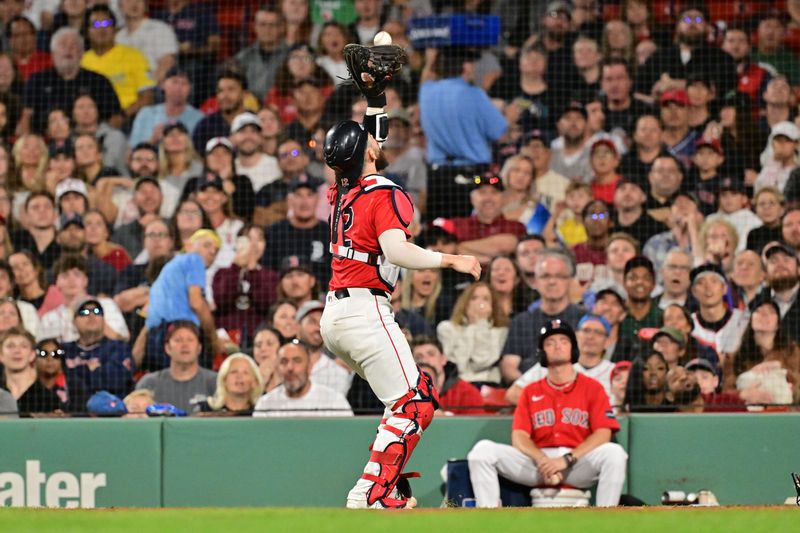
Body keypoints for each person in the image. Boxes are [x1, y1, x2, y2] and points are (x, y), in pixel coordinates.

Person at [318, 80, 481, 509]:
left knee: (407, 397)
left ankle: (385, 486)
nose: (376, 140)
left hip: (336, 317)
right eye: (371, 140)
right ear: (368, 153)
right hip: (366, 311)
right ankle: (371, 493)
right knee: (417, 403)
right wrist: (452, 260)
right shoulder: (385, 192)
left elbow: (368, 149)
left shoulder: (342, 192)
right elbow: (396, 251)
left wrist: (375, 103)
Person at [467, 319, 626, 507]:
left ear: (573, 348)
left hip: (576, 463)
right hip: (537, 463)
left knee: (615, 453)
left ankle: (607, 520)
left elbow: (603, 433)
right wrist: (543, 460)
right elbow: (519, 437)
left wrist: (566, 459)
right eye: (550, 343)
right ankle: (489, 519)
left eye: (563, 341)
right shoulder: (530, 391)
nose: (557, 346)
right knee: (482, 451)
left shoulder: (593, 387)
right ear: (542, 352)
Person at [419, 47, 507, 220]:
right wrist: (508, 114)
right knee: (468, 232)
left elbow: (426, 76)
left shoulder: (427, 91)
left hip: (438, 177)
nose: (474, 67)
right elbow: (500, 133)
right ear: (465, 67)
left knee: (440, 231)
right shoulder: (474, 94)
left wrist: (431, 59)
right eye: (471, 63)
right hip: (472, 176)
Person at [500, 249, 584, 383]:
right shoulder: (521, 322)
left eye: (559, 276)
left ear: (570, 280)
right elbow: (509, 366)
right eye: (545, 276)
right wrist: (531, 389)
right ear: (535, 281)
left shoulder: (584, 320)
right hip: (531, 393)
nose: (552, 282)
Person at [142, 229, 221, 371]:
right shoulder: (194, 259)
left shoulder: (168, 272)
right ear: (189, 245)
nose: (211, 252)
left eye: (215, 250)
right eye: (207, 245)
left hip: (156, 340)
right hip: (181, 332)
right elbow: (196, 303)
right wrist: (214, 340)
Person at [21, 27, 122, 134]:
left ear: (82, 54)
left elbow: (116, 117)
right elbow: (25, 117)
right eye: (63, 45)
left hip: (91, 142)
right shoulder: (37, 80)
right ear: (53, 53)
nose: (68, 49)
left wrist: (101, 137)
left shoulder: (99, 81)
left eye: (73, 46)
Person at [635, 4, 736, 98]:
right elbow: (639, 92)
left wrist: (672, 84)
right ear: (678, 26)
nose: (692, 23)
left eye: (698, 19)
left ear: (707, 27)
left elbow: (721, 90)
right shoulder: (658, 57)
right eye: (687, 19)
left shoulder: (722, 58)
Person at [79, 5, 155, 120]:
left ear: (115, 29)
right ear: (86, 32)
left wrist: (122, 116)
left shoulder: (133, 56)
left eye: (106, 23)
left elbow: (148, 98)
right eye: (95, 24)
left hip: (129, 118)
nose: (101, 29)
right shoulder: (81, 61)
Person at [212, 225, 279, 347]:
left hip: (259, 339)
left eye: (259, 239)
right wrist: (236, 267)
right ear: (237, 243)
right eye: (248, 239)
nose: (253, 245)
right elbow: (221, 300)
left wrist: (253, 272)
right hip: (225, 338)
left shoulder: (272, 276)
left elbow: (266, 304)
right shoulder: (223, 273)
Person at [39, 254, 129, 343]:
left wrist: (94, 317)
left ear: (85, 280)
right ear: (56, 283)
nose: (71, 280)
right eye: (65, 276)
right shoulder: (49, 319)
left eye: (77, 275)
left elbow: (122, 340)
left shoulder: (106, 305)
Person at [252, 339, 353, 417]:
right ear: (277, 368)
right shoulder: (265, 405)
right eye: (284, 362)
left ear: (309, 366)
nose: (290, 368)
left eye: (297, 360)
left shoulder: (334, 401)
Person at [264, 176, 331, 288]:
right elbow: (268, 273)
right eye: (298, 195)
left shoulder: (329, 233)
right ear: (289, 201)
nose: (304, 202)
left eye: (309, 195)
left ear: (318, 199)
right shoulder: (273, 232)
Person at [436, 281, 509, 385]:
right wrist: (472, 326)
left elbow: (480, 362)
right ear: (465, 303)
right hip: (457, 384)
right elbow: (459, 365)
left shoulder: (501, 332)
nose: (480, 303)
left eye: (485, 299)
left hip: (488, 385)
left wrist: (481, 324)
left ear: (493, 306)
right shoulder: (447, 328)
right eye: (474, 298)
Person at [136, 320, 217, 413]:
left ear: (199, 348)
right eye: (178, 340)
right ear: (167, 348)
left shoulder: (215, 382)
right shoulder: (149, 384)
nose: (185, 345)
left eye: (190, 340)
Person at [62, 298, 134, 398]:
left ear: (103, 319)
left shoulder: (119, 348)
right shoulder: (65, 349)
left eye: (97, 311)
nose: (92, 315)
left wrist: (77, 372)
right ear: (74, 322)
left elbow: (115, 381)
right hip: (73, 410)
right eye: (84, 312)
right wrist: (91, 369)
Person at [689, 263, 748, 365]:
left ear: (724, 288)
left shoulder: (742, 321)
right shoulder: (688, 324)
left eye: (714, 281)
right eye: (701, 283)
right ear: (694, 291)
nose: (708, 287)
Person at [128, 67, 204, 147]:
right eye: (174, 82)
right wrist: (152, 140)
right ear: (162, 85)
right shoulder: (146, 114)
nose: (178, 88)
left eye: (184, 83)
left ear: (190, 89)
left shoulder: (199, 118)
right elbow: (131, 153)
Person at [410, 336, 485, 415]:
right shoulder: (405, 394)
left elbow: (475, 426)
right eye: (418, 357)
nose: (425, 360)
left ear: (443, 359)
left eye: (431, 354)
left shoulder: (467, 393)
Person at [296, 300, 352, 397]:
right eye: (312, 322)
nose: (318, 328)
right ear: (297, 326)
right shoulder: (282, 366)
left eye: (322, 323)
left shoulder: (338, 373)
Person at [0, 327, 61, 416]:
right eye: (10, 346)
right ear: (1, 355)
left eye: (23, 346)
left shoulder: (49, 398)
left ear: (32, 355)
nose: (17, 351)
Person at [115, 0, 179, 84]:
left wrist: (150, 86)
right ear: (120, 7)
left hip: (153, 85)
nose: (134, 4)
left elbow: (167, 62)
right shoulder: (118, 37)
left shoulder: (160, 28)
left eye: (139, 1)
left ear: (146, 6)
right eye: (128, 1)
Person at [235, 6, 288, 102]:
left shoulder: (291, 56)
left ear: (281, 28)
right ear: (255, 27)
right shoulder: (243, 57)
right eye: (262, 24)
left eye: (272, 25)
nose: (267, 29)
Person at [191, 69, 248, 153]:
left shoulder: (255, 121)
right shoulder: (204, 127)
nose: (224, 96)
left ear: (244, 94)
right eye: (220, 91)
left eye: (231, 89)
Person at [197, 353, 263, 415]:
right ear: (224, 380)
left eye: (245, 372)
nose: (239, 376)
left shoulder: (261, 413)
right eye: (234, 372)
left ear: (255, 382)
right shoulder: (205, 411)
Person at [252, 326, 282, 392]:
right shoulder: (247, 379)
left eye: (270, 344)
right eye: (258, 345)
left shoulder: (290, 375)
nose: (263, 349)